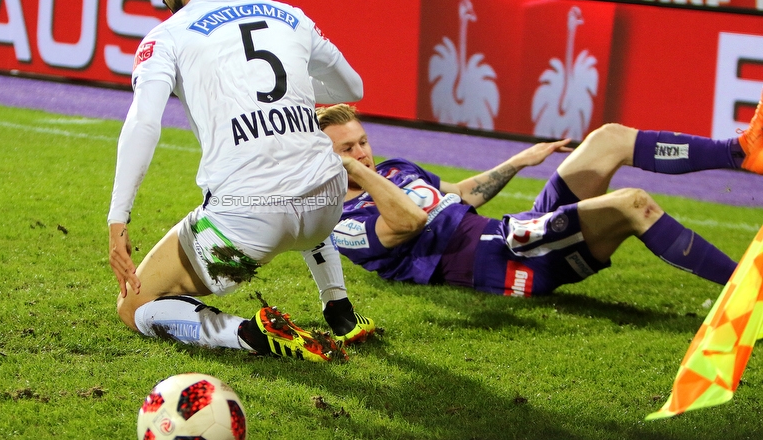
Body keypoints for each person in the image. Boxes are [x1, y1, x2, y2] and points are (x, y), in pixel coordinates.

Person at [108, 0, 375, 364]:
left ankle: (253, 334)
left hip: (248, 224)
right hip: (327, 204)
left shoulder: (167, 36)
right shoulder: (289, 14)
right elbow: (352, 86)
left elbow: (143, 124)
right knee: (297, 160)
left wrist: (118, 218)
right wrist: (299, 95)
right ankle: (339, 308)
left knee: (134, 305)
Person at [316, 101, 763, 296]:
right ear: (325, 159)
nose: (363, 153)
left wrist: (518, 161)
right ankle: (750, 292)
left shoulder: (394, 168)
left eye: (362, 142)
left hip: (518, 231)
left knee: (607, 138)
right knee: (633, 204)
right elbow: (410, 220)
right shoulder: (341, 223)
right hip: (513, 260)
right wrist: (353, 172)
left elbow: (460, 194)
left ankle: (740, 151)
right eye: (348, 149)